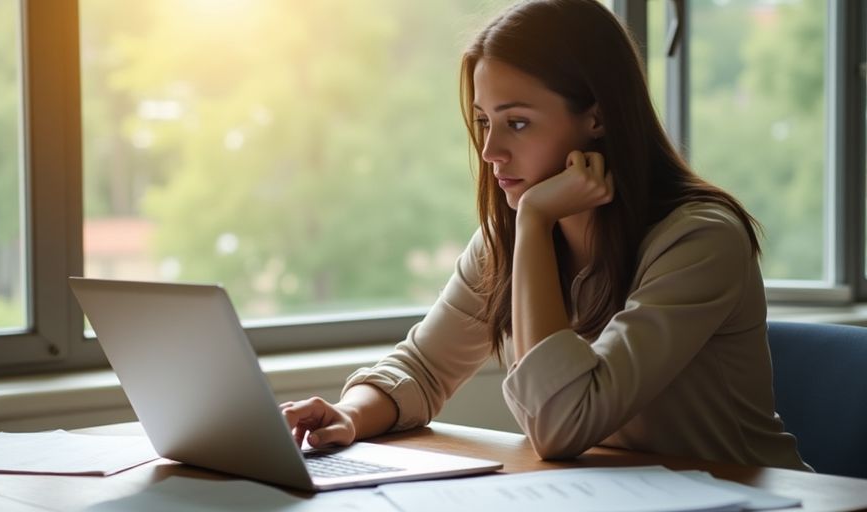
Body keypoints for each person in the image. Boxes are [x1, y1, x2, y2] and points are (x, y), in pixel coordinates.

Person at [280, 0, 810, 471]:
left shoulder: (699, 241)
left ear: (596, 118)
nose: (490, 152)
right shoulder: (504, 240)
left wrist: (534, 220)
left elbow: (562, 426)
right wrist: (348, 417)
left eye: (517, 123)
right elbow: (422, 368)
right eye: (484, 121)